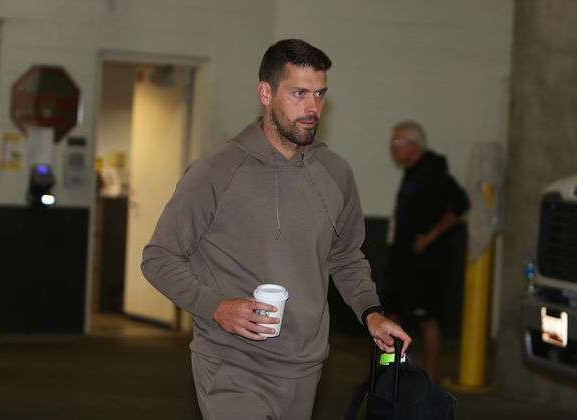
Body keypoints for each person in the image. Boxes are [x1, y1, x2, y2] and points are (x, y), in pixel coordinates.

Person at [141, 39, 411, 420]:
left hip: (304, 367)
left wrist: (372, 313)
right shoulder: (215, 171)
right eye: (298, 93)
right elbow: (159, 258)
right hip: (231, 363)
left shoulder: (335, 173)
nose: (312, 107)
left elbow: (346, 257)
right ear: (265, 93)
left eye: (319, 94)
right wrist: (215, 307)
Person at [384, 120, 469, 380]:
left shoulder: (433, 172)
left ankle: (430, 378)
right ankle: (392, 370)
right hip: (403, 258)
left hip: (426, 263)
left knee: (427, 317)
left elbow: (460, 203)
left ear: (414, 144)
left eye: (397, 142)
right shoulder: (412, 172)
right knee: (392, 312)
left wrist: (430, 237)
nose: (392, 148)